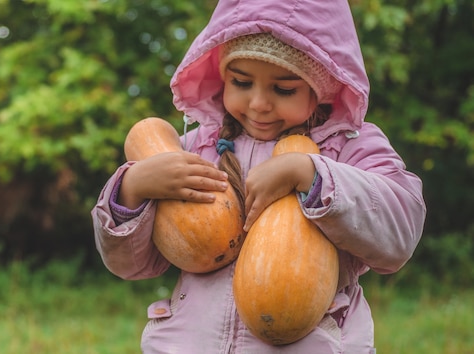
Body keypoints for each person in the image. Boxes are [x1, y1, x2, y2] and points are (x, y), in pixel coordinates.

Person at [91, 0, 426, 352]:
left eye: (283, 89)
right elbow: (131, 264)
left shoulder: (349, 147)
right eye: (241, 82)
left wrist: (312, 174)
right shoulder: (195, 150)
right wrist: (131, 191)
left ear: (321, 86)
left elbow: (400, 231)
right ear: (223, 78)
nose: (258, 103)